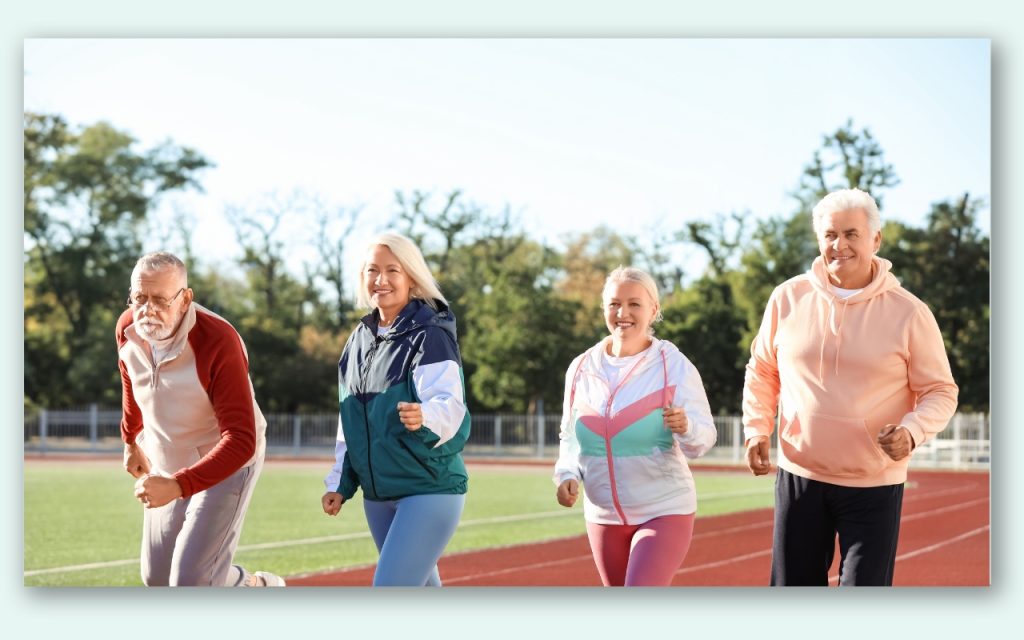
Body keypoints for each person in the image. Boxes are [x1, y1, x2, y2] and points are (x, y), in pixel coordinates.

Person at [743, 188, 959, 586]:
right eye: (829, 235)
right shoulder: (787, 298)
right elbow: (762, 369)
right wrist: (757, 427)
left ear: (876, 240)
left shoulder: (910, 313)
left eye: (851, 234)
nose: (839, 245)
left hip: (873, 482)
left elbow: (941, 391)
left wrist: (912, 431)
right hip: (799, 473)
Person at [117, 252, 285, 586]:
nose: (147, 310)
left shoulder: (217, 340)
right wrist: (130, 440)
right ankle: (247, 586)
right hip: (166, 457)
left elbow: (241, 439)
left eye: (160, 300)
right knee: (157, 579)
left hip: (225, 460)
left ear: (186, 299)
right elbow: (131, 382)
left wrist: (179, 485)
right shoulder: (127, 327)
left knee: (191, 581)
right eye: (139, 298)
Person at [321, 232, 471, 586]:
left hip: (428, 490)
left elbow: (452, 408)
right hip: (377, 498)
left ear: (411, 278)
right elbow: (351, 422)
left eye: (393, 270)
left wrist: (424, 417)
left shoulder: (429, 333)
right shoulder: (357, 341)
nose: (381, 279)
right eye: (373, 270)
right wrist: (340, 484)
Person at [553, 266, 717, 586]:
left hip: (664, 509)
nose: (622, 313)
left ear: (654, 310)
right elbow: (569, 436)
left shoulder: (674, 366)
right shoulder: (581, 368)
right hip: (602, 515)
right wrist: (567, 474)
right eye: (614, 304)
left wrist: (686, 427)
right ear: (604, 308)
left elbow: (703, 440)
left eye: (634, 304)